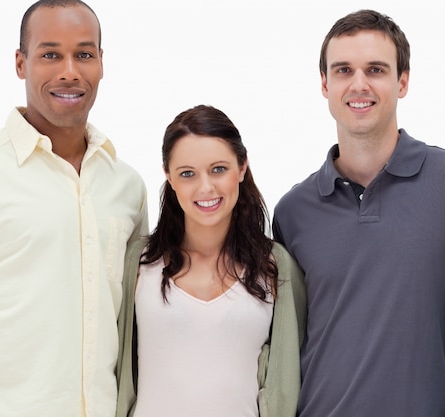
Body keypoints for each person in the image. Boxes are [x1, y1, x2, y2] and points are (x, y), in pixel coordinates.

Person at [272, 9, 445, 417]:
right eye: (343, 70)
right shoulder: (292, 212)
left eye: (375, 69)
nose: (359, 84)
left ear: (403, 81)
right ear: (324, 84)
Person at [0, 1, 148, 416]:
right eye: (50, 54)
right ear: (20, 63)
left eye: (84, 54)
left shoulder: (127, 186)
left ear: (102, 63)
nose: (70, 71)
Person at [115, 105, 306, 417]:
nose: (205, 187)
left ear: (242, 167)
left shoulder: (275, 266)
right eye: (187, 173)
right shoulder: (140, 262)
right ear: (169, 177)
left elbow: (287, 383)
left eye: (218, 169)